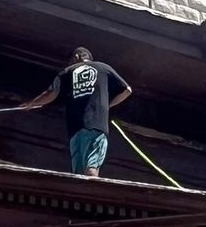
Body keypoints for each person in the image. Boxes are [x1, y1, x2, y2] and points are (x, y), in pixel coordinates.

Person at [16, 45, 133, 177]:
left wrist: (31, 104)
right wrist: (106, 106)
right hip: (98, 126)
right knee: (92, 168)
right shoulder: (104, 68)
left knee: (78, 173)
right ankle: (92, 193)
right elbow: (127, 90)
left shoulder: (67, 71)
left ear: (76, 57)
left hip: (76, 128)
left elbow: (51, 93)